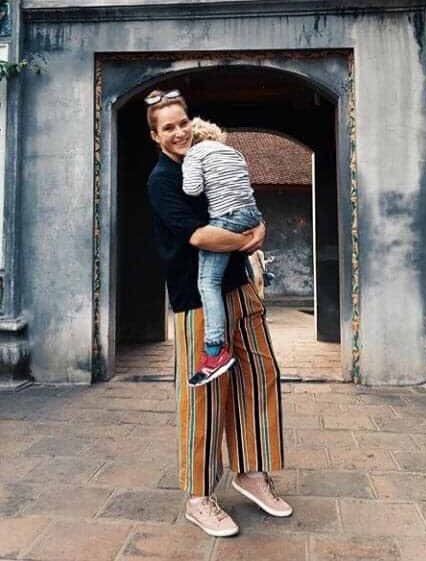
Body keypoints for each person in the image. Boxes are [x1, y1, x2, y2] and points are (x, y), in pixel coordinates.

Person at [145, 88, 291, 538]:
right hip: (197, 299)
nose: (179, 132)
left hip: (239, 288)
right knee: (205, 396)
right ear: (155, 136)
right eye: (168, 128)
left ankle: (251, 472)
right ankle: (197, 496)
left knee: (259, 375)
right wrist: (250, 238)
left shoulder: (209, 155)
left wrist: (259, 223)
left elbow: (240, 199)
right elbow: (199, 236)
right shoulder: (163, 181)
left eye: (182, 123)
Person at [182, 117, 262, 387]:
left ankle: (215, 350)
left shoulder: (194, 154)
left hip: (226, 217)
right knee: (237, 260)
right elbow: (245, 188)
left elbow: (192, 189)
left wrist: (191, 172)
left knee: (208, 283)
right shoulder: (234, 153)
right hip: (251, 215)